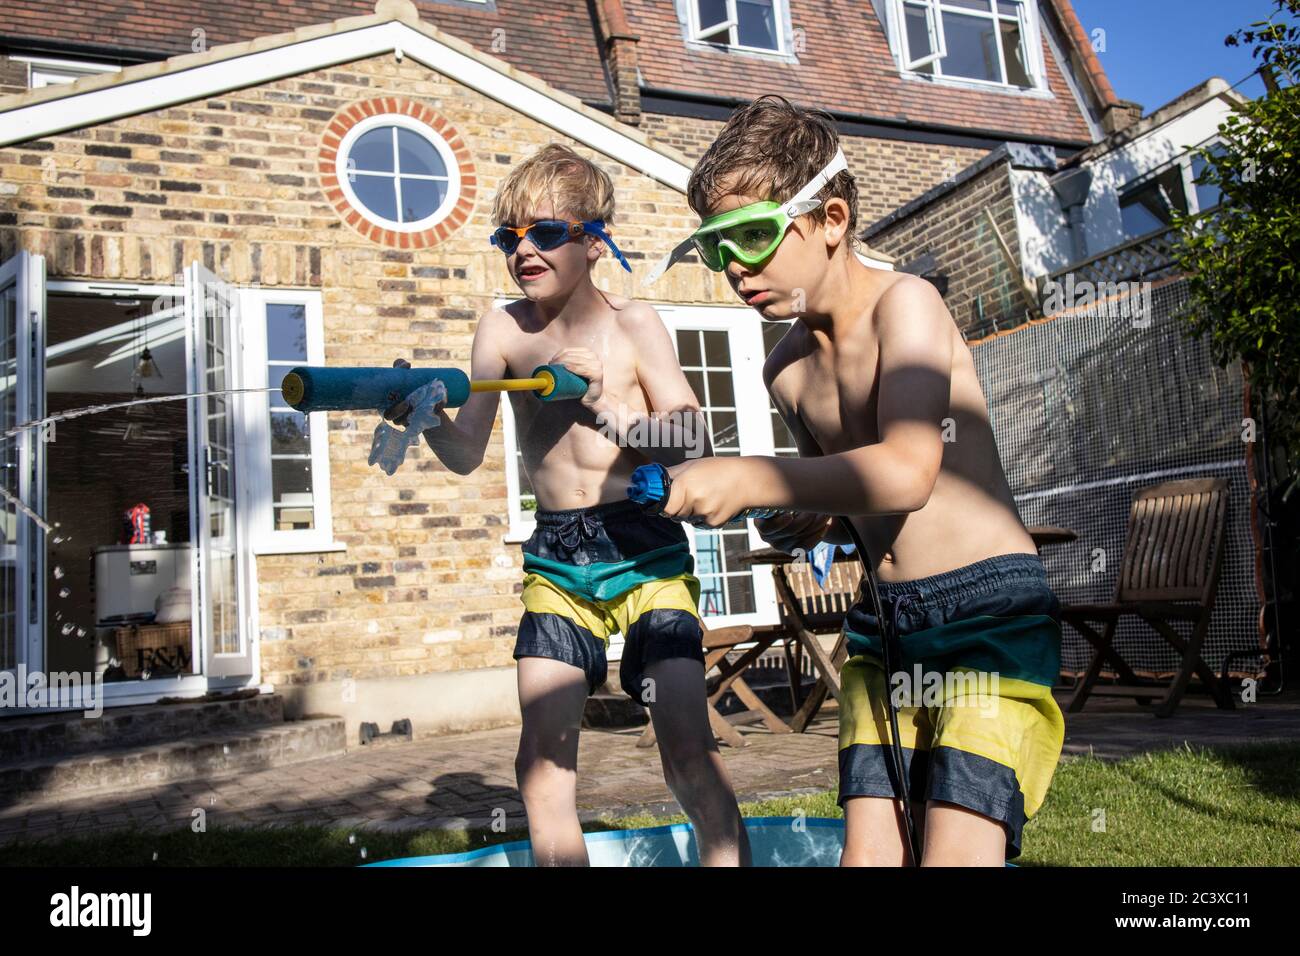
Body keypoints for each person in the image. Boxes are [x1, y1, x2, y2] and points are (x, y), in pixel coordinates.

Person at [648, 96, 1065, 866]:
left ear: (831, 218)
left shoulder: (908, 305)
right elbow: (838, 499)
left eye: (754, 236)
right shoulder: (785, 369)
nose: (736, 267)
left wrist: (753, 476)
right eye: (716, 248)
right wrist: (787, 516)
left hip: (987, 611)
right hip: (884, 625)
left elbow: (907, 471)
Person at [386, 143, 749, 866]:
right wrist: (419, 416)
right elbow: (465, 454)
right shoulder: (503, 330)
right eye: (508, 237)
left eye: (546, 232)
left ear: (593, 239)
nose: (524, 249)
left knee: (685, 746)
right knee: (542, 763)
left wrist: (606, 406)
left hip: (646, 551)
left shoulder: (633, 323)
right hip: (557, 560)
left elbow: (689, 433)